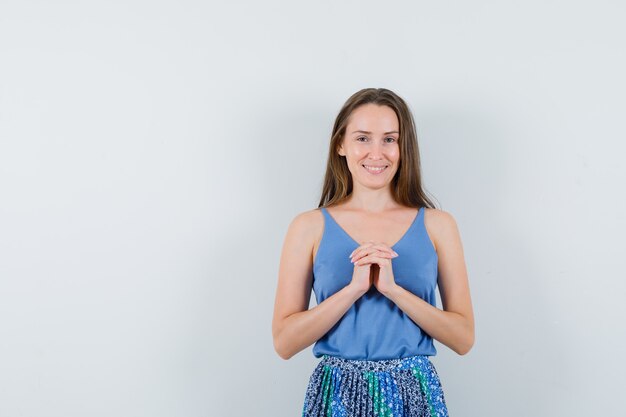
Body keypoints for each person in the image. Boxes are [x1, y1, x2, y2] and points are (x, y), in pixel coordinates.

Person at [272, 87, 474, 416]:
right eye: (363, 138)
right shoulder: (308, 227)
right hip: (336, 394)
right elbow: (284, 342)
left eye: (389, 139)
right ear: (341, 144)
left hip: (414, 393)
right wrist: (353, 290)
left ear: (403, 147)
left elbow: (463, 338)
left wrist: (393, 290)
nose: (376, 153)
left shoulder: (439, 225)